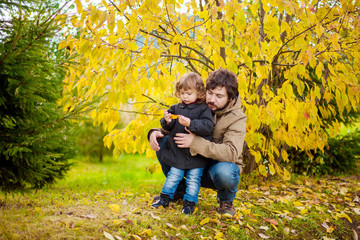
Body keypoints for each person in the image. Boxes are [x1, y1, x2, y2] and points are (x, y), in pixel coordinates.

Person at [149, 68, 247, 216]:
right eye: (210, 93)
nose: (212, 99)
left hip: (216, 168)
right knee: (163, 141)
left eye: (219, 96)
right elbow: (177, 124)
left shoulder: (237, 118)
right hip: (192, 160)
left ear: (230, 97)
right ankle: (179, 190)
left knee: (225, 172)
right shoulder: (198, 105)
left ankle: (226, 200)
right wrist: (155, 132)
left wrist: (195, 143)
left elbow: (231, 153)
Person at [151, 72, 214, 215]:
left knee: (193, 180)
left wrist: (191, 123)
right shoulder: (175, 108)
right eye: (182, 93)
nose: (185, 96)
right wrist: (167, 121)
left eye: (189, 93)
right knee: (173, 175)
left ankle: (189, 204)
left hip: (196, 155)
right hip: (178, 153)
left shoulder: (203, 109)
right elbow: (167, 128)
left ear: (198, 92)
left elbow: (207, 126)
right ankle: (165, 198)